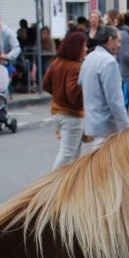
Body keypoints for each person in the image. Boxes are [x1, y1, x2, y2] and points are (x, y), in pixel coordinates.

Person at [79, 26, 129, 147]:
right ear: (110, 39)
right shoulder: (109, 62)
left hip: (92, 122)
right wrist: (126, 128)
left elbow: (80, 82)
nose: (119, 45)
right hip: (107, 126)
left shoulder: (89, 58)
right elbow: (115, 100)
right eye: (118, 41)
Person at [43, 31, 87, 169]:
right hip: (71, 115)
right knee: (68, 155)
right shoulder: (74, 67)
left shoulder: (57, 62)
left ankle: (68, 187)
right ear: (77, 48)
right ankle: (51, 185)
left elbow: (46, 84)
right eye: (84, 46)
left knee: (71, 156)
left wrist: (58, 95)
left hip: (58, 112)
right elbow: (74, 93)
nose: (86, 49)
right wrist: (86, 93)